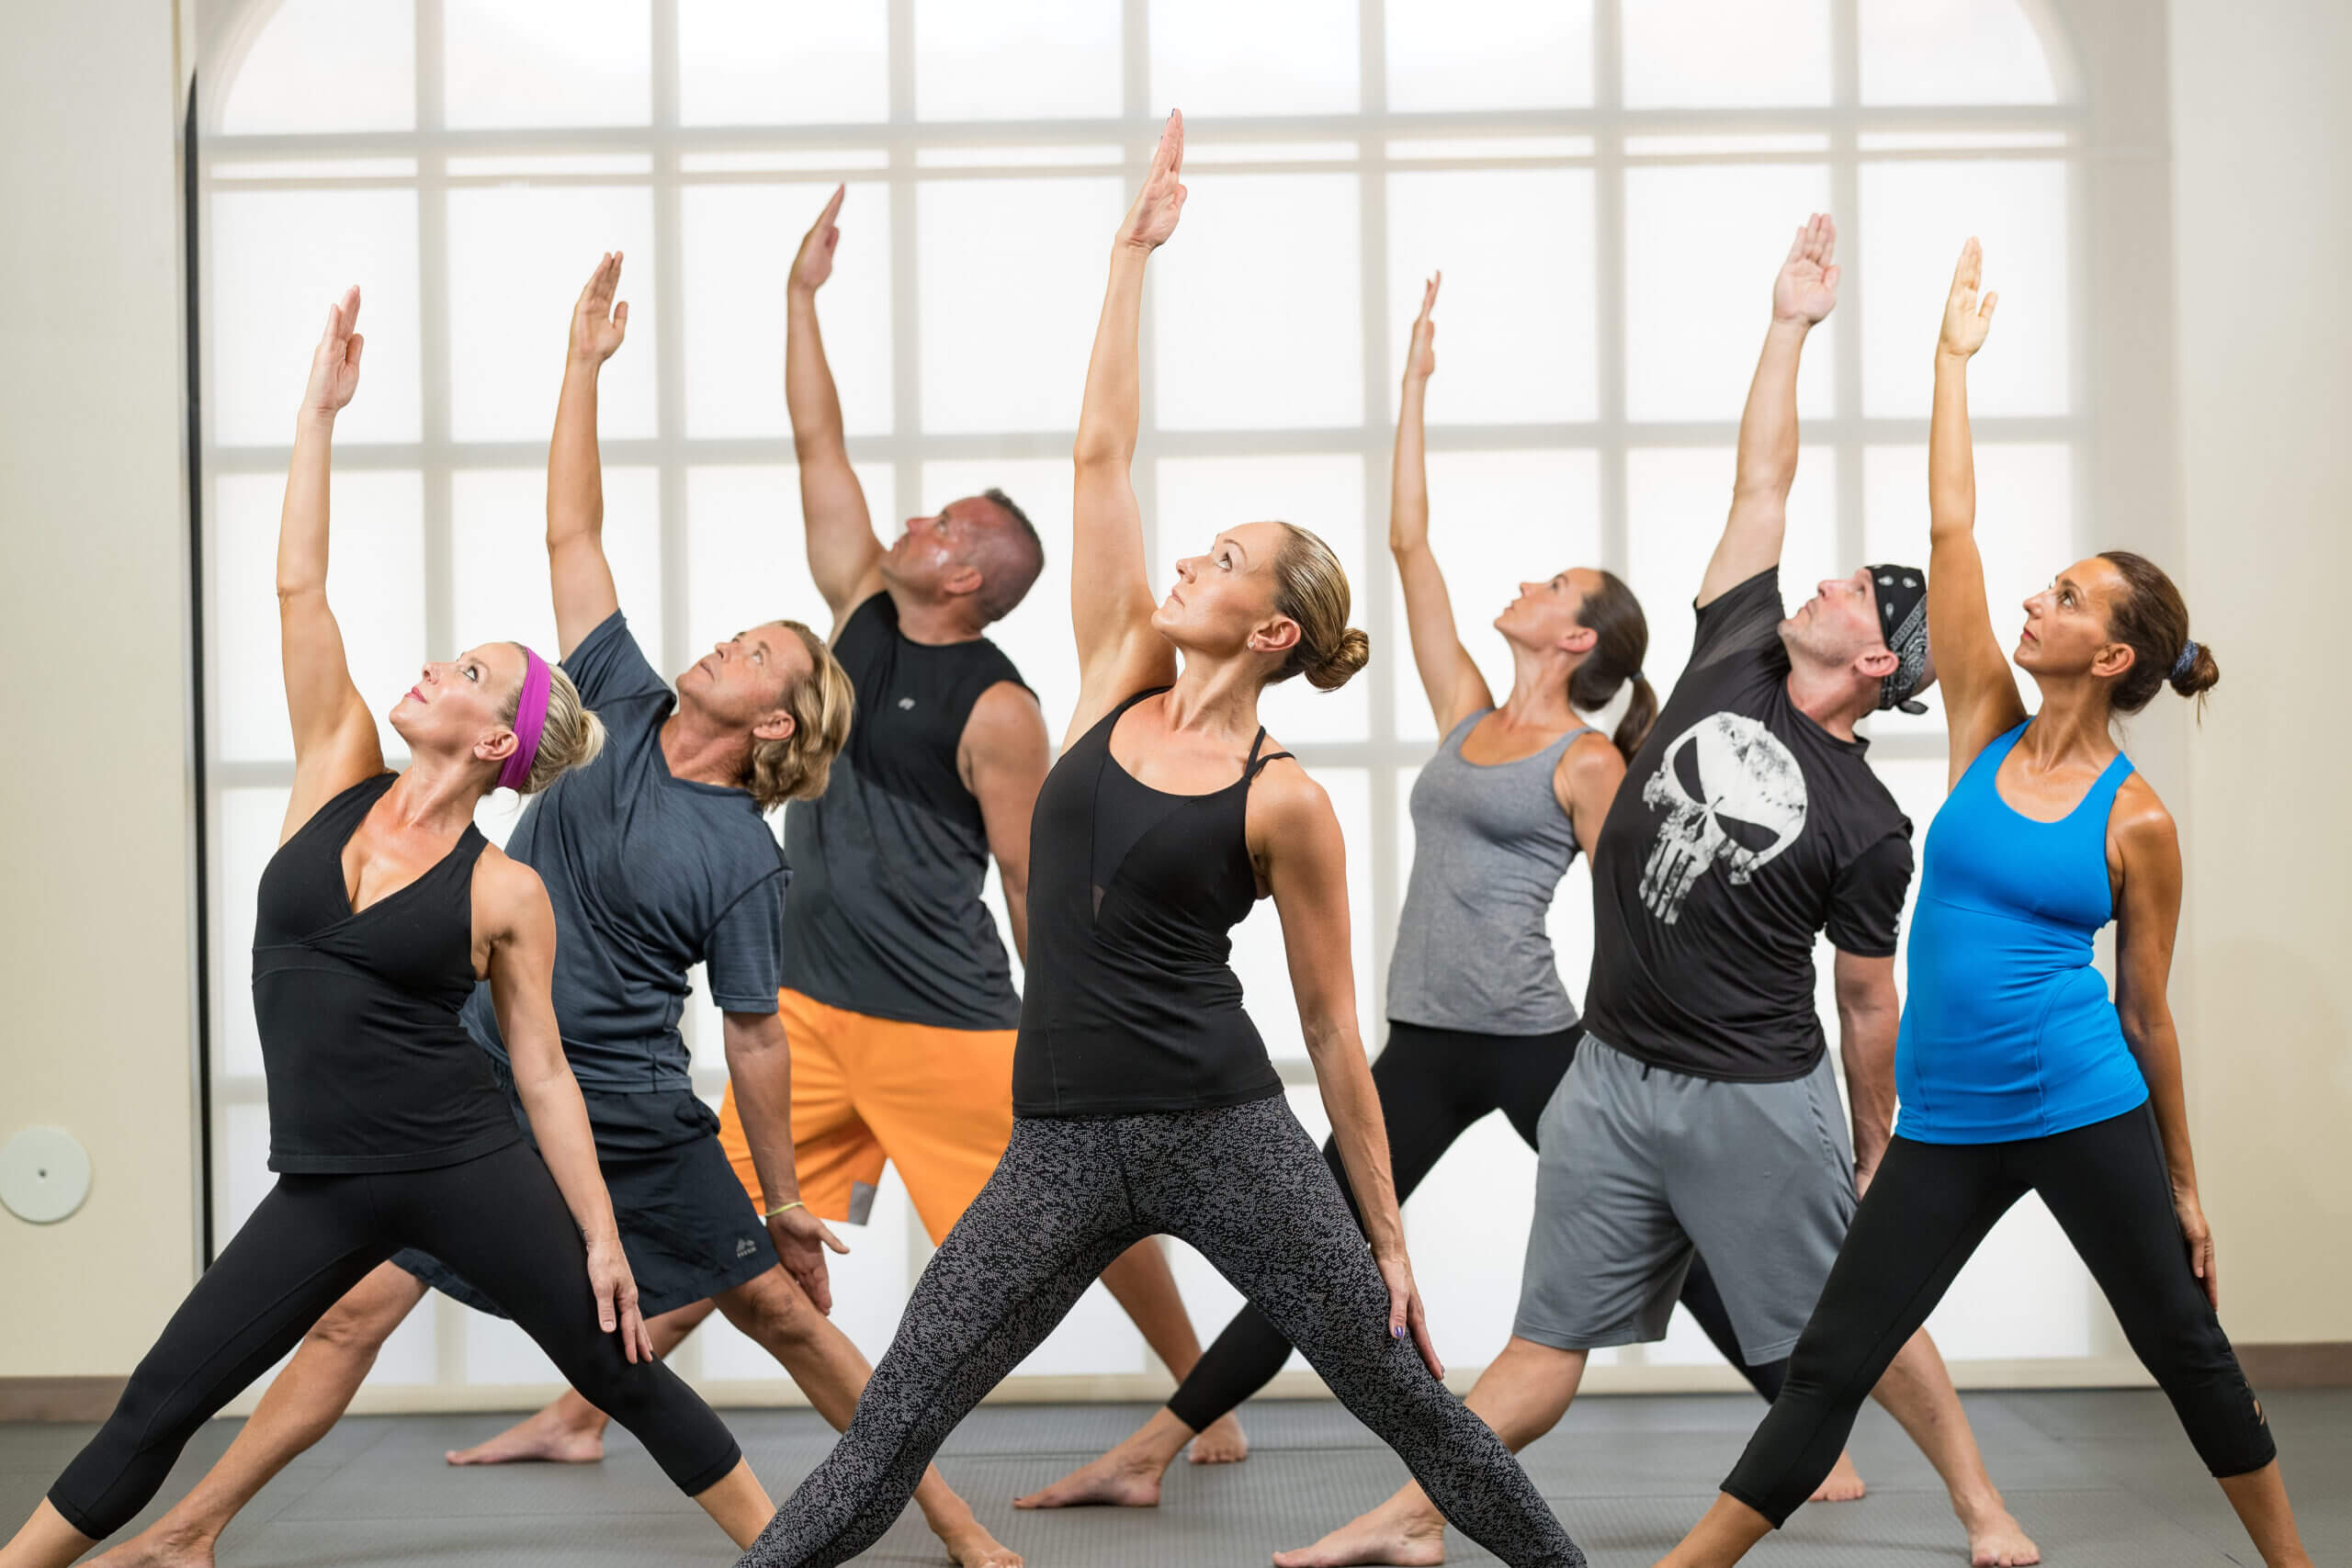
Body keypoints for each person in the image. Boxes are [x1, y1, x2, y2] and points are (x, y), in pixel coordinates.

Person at [731, 111, 1586, 1568]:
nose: (1190, 557)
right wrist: (1129, 259)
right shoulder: (1108, 681)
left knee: (1419, 1414)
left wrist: (1382, 1235)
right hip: (1057, 1143)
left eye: (1226, 559)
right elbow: (1101, 453)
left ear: (1273, 630)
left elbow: (1331, 1028)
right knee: (887, 1435)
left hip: (1228, 1133)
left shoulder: (1283, 798)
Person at [84, 259, 1021, 1568]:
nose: (728, 645)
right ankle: (188, 1532)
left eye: (758, 654)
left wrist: (787, 1197)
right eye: (742, 633)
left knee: (786, 1321)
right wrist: (582, 369)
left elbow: (755, 1036)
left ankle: (960, 1529)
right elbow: (572, 538)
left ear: (775, 723)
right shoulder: (620, 698)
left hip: (632, 1115)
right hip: (479, 1096)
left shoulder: (744, 861)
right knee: (352, 1315)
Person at [1016, 273, 1868, 1514]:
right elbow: (1410, 550)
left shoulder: (1591, 765)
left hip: (1529, 1038)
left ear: (1579, 640)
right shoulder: (1467, 712)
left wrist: (1658, 1028)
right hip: (1423, 1036)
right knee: (1317, 1247)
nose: (1530, 585)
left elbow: (1651, 904)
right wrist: (1413, 390)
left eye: (1556, 585)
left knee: (1673, 1235)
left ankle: (1808, 1434)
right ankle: (1153, 1448)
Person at [1272, 216, 2039, 1568]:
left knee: (1848, 1325)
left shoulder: (1869, 822)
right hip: (1611, 1078)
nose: (1825, 581)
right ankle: (1407, 1523)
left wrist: (1873, 1145)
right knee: (1542, 1347)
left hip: (1754, 1099)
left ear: (1879, 664)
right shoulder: (1738, 652)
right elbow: (1763, 481)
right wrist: (1788, 326)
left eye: (1856, 594)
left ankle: (1983, 1508)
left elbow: (1869, 1000)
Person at [0, 288, 772, 1568]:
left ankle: (788, 1548)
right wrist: (317, 416)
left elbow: (542, 1073)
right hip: (323, 1182)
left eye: (471, 674)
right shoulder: (335, 767)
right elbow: (297, 587)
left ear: (498, 741)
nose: (436, 668)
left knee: (624, 1372)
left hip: (468, 1168)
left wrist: (600, 1237)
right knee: (161, 1397)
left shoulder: (503, 891)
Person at [1647, 240, 2313, 1568]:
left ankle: (2295, 1563)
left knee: (2185, 1348)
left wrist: (2184, 1184)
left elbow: (2147, 1013)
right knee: (1833, 1361)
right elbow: (1952, 535)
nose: (2032, 599)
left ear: (2110, 654)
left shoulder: (2137, 819)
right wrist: (1950, 363)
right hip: (1947, 1123)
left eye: (2064, 599)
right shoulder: (1982, 728)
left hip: (2081, 1105)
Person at [720, 179, 1246, 1461]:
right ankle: (585, 1409)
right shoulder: (857, 612)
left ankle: (1202, 1392)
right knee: (723, 1217)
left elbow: (1025, 877)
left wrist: (1061, 1015)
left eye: (943, 523)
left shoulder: (1002, 709)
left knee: (1082, 1214)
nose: (913, 520)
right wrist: (798, 298)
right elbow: (816, 445)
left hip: (941, 1020)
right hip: (805, 1004)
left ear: (966, 575)